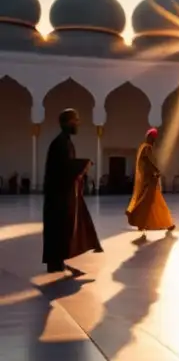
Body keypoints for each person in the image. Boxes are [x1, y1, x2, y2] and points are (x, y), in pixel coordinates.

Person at [42, 108, 102, 275]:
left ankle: (57, 263)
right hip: (58, 195)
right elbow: (65, 167)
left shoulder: (64, 141)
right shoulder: (60, 143)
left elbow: (65, 166)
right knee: (59, 227)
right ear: (67, 122)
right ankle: (57, 262)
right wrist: (84, 163)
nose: (78, 123)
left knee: (60, 228)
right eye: (75, 120)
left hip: (60, 193)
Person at [125, 128, 175, 240]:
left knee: (155, 202)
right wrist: (156, 170)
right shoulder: (147, 147)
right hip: (150, 180)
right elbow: (147, 161)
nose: (153, 140)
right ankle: (136, 217)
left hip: (150, 179)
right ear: (150, 137)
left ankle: (167, 223)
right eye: (152, 138)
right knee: (147, 203)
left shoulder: (144, 147)